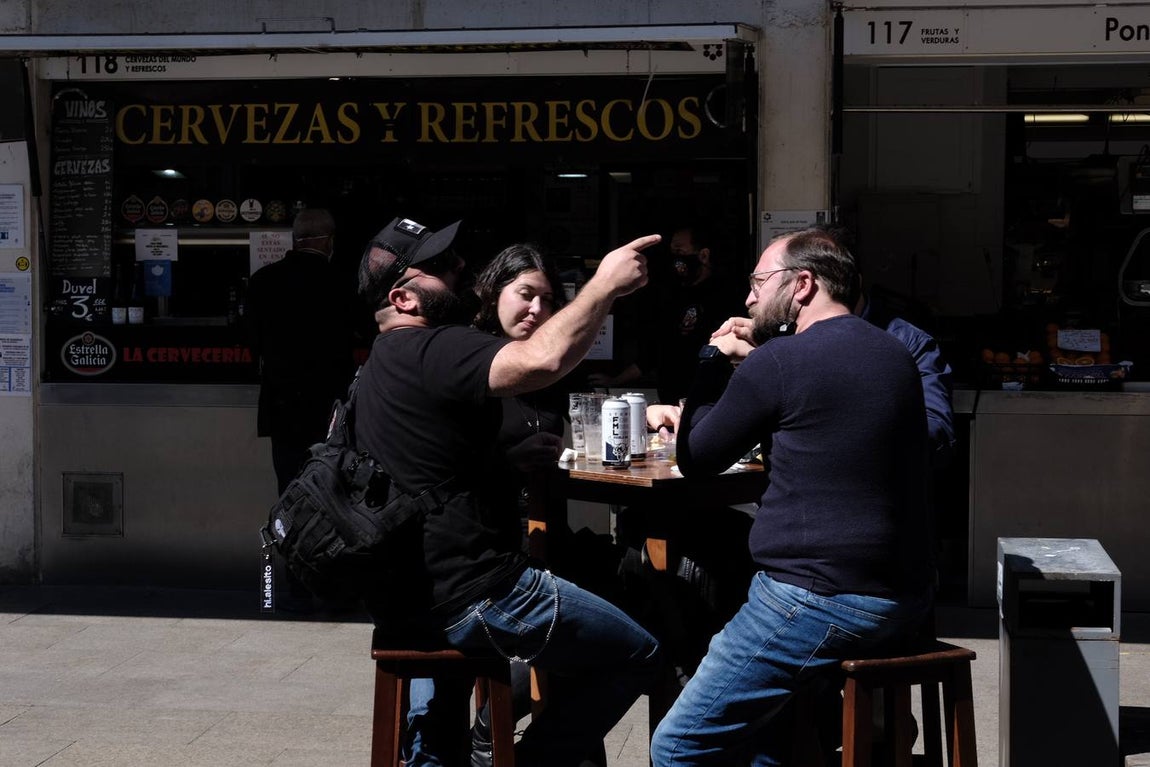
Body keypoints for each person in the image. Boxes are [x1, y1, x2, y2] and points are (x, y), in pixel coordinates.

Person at [355, 216, 662, 767]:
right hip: (477, 591)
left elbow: (435, 471)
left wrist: (504, 464)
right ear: (402, 297)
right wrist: (605, 284)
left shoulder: (383, 366)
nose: (458, 271)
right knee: (640, 652)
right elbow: (541, 360)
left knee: (436, 732)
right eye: (440, 267)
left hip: (412, 594)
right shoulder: (433, 349)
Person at [649, 228, 935, 766]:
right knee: (767, 743)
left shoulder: (779, 362)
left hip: (816, 599)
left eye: (759, 282)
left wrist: (712, 357)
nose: (750, 297)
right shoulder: (894, 352)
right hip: (904, 597)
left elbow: (697, 457)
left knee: (677, 746)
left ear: (802, 284)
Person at [245, 208, 353, 495]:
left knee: (290, 486)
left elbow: (252, 342)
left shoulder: (262, 281)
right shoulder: (342, 282)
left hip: (282, 405)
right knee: (333, 487)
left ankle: (289, 537)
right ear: (329, 241)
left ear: (295, 240)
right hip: (331, 404)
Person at [589, 222, 745, 405]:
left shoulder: (728, 297)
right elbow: (653, 352)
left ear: (703, 255)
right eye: (673, 253)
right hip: (671, 399)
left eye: (680, 252)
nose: (676, 261)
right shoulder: (670, 297)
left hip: (715, 399)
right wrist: (615, 381)